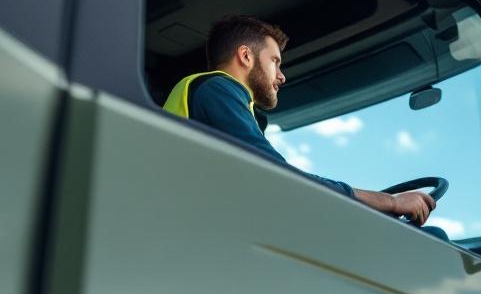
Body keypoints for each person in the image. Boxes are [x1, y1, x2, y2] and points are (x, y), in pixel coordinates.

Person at [163, 15, 436, 225]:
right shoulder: (217, 89)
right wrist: (390, 202)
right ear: (245, 56)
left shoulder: (215, 97)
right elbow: (279, 176)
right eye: (275, 62)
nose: (281, 76)